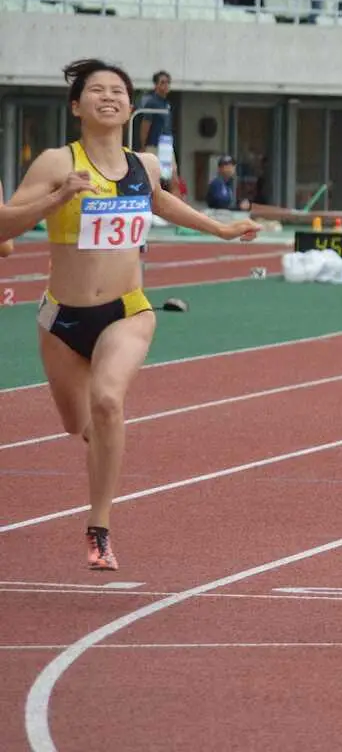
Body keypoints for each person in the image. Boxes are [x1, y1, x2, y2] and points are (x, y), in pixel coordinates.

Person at [0, 58, 260, 571]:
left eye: (118, 90)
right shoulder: (56, 162)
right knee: (79, 424)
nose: (108, 97)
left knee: (107, 402)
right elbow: (5, 224)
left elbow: (160, 202)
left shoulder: (145, 164)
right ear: (76, 106)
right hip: (61, 320)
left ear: (130, 105)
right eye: (96, 90)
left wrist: (221, 229)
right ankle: (101, 447)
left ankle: (99, 527)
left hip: (127, 310)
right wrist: (57, 198)